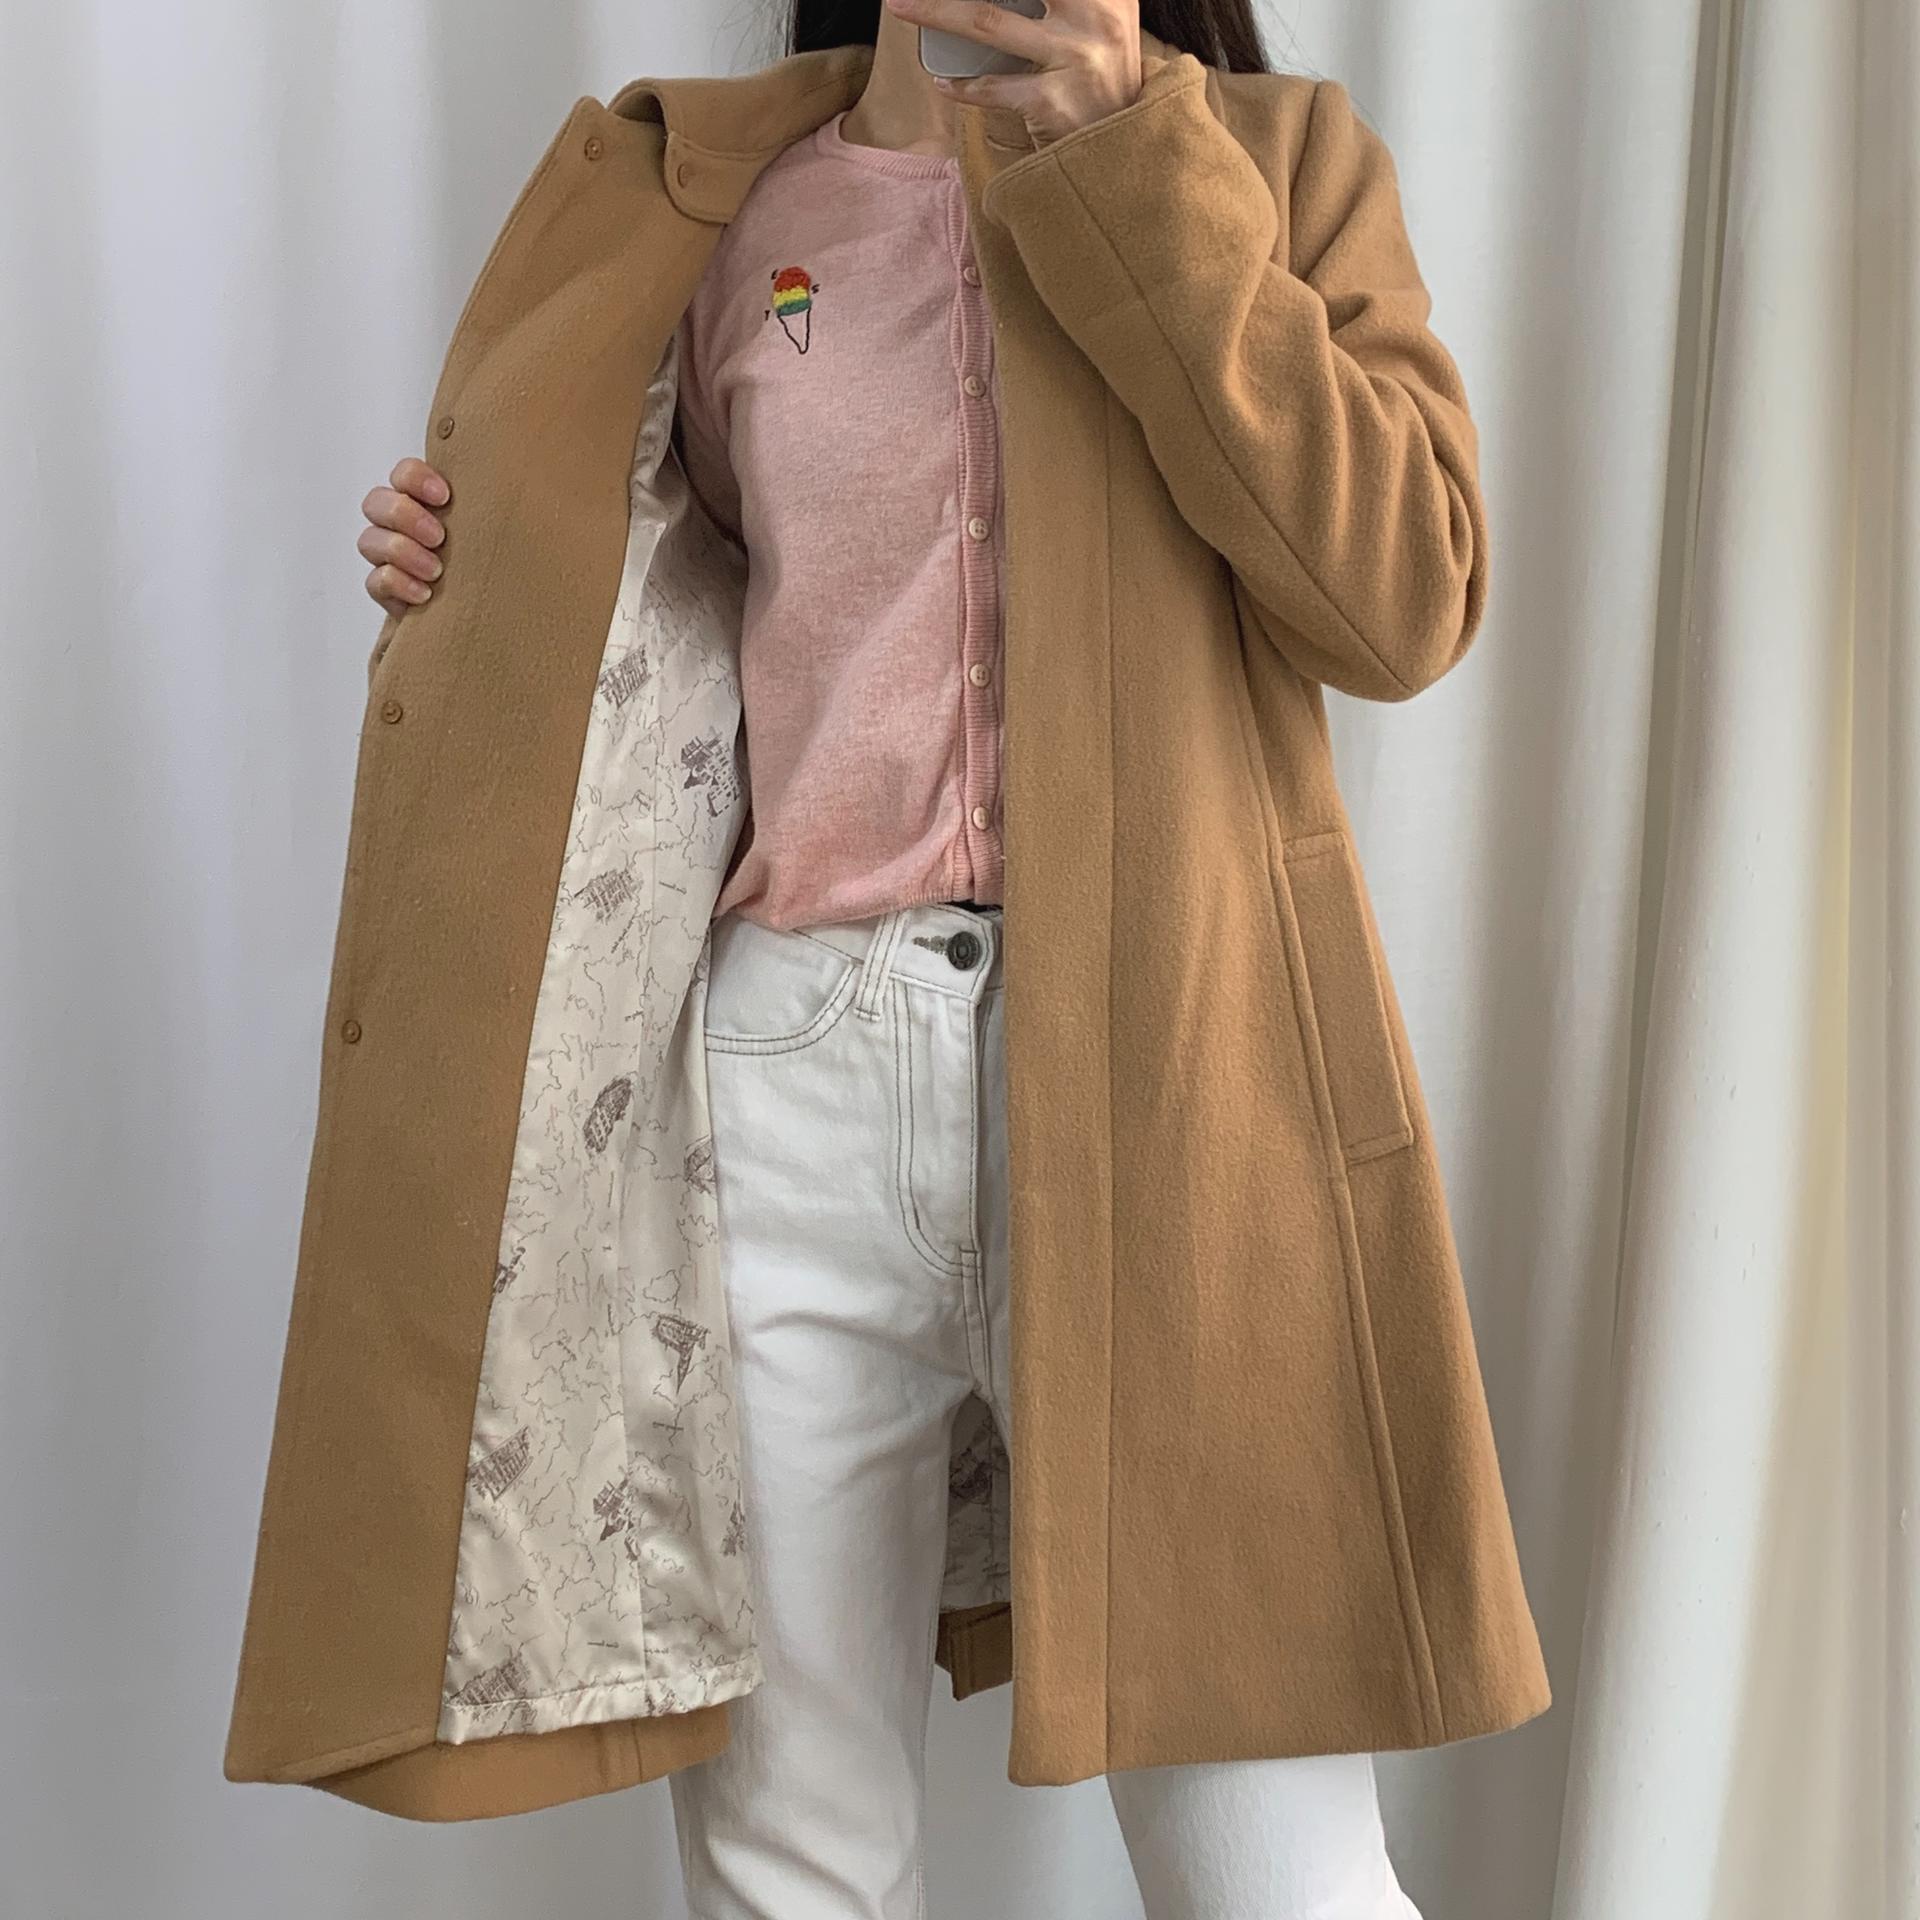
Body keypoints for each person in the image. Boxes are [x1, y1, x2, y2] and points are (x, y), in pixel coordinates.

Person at [238, 0, 1549, 1911]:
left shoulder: (1278, 164)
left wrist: (1133, 160)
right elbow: (656, 602)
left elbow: (1402, 596)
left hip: (1172, 1074)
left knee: (1282, 1878)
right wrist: (474, 558)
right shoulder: (722, 206)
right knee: (797, 1869)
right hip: (786, 1078)